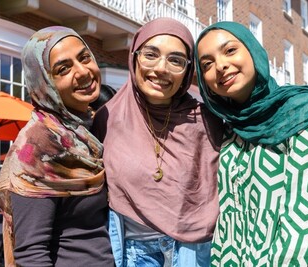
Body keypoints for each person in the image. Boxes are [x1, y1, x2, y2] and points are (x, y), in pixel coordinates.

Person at [195, 21, 308, 267]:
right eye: (207, 64)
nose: (220, 66)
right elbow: (228, 221)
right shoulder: (229, 132)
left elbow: (307, 218)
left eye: (230, 50)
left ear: (253, 51)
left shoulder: (302, 110)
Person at [91, 17, 224, 267]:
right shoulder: (107, 119)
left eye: (175, 60)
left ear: (187, 71)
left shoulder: (207, 121)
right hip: (133, 253)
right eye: (151, 54)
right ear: (134, 57)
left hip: (193, 253)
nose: (161, 68)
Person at [0, 26, 114, 266]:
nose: (82, 72)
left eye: (84, 57)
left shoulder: (88, 130)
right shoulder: (39, 146)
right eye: (63, 69)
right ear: (43, 82)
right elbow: (31, 253)